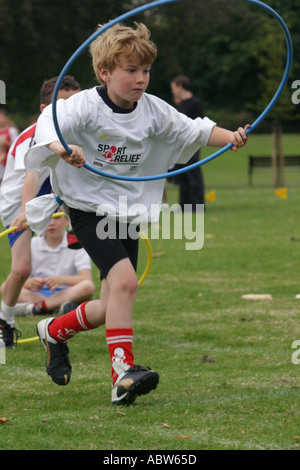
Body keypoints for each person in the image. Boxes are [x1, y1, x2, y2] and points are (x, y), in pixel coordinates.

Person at [24, 22, 250, 405]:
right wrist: (63, 149)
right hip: (87, 208)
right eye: (131, 70)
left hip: (125, 211)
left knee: (112, 301)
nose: (141, 79)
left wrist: (231, 137)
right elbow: (50, 123)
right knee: (126, 282)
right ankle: (122, 375)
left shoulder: (153, 110)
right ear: (105, 72)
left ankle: (55, 331)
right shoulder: (84, 106)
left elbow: (192, 129)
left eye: (145, 71)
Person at [0, 75, 81, 348]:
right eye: (63, 105)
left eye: (75, 104)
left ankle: (75, 233)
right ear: (46, 110)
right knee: (22, 269)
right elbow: (30, 179)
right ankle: (5, 320)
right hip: (16, 203)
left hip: (49, 195)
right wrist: (24, 212)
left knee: (75, 190)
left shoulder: (71, 132)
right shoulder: (30, 137)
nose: (71, 111)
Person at [8, 210, 95, 317]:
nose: (52, 223)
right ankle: (58, 307)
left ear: (67, 220)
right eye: (47, 218)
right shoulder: (32, 244)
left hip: (66, 291)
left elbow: (86, 278)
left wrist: (62, 280)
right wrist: (30, 283)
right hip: (39, 293)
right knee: (6, 288)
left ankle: (36, 308)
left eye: (57, 218)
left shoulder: (76, 244)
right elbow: (18, 278)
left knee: (87, 287)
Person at [170, 75, 205, 211]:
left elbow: (198, 125)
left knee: (193, 175)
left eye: (173, 88)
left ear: (180, 86)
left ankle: (197, 205)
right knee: (182, 176)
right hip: (180, 146)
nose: (172, 91)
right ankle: (184, 205)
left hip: (192, 145)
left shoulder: (195, 103)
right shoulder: (181, 104)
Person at [0, 108, 19, 183]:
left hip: (8, 161)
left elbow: (17, 146)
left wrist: (6, 142)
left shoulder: (11, 130)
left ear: (6, 117)